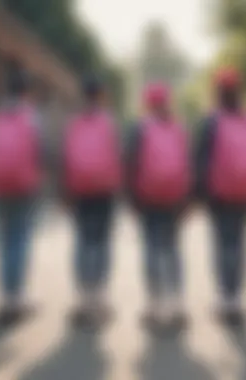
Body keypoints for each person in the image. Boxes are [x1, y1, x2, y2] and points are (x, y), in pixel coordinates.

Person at [195, 67, 246, 321]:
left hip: (220, 193)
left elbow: (201, 160)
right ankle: (237, 296)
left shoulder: (211, 121)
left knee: (223, 243)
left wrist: (198, 194)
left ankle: (225, 297)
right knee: (240, 243)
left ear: (217, 91)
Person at [0, 71, 44, 324]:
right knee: (20, 237)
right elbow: (41, 151)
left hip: (0, 184)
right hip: (24, 185)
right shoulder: (32, 117)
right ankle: (16, 298)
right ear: (26, 92)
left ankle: (5, 296)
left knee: (5, 237)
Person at [126, 82, 192, 327]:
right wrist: (188, 199)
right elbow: (188, 163)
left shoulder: (139, 128)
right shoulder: (179, 128)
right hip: (175, 197)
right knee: (173, 248)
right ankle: (176, 303)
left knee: (152, 248)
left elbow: (131, 163)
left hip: (148, 196)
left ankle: (155, 304)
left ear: (147, 103)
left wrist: (132, 198)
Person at [62, 76, 122, 327]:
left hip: (79, 190)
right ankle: (98, 295)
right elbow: (119, 155)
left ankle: (83, 296)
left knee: (83, 240)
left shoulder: (74, 123)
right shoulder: (110, 122)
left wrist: (63, 192)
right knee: (101, 241)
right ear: (101, 95)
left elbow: (64, 158)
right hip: (104, 190)